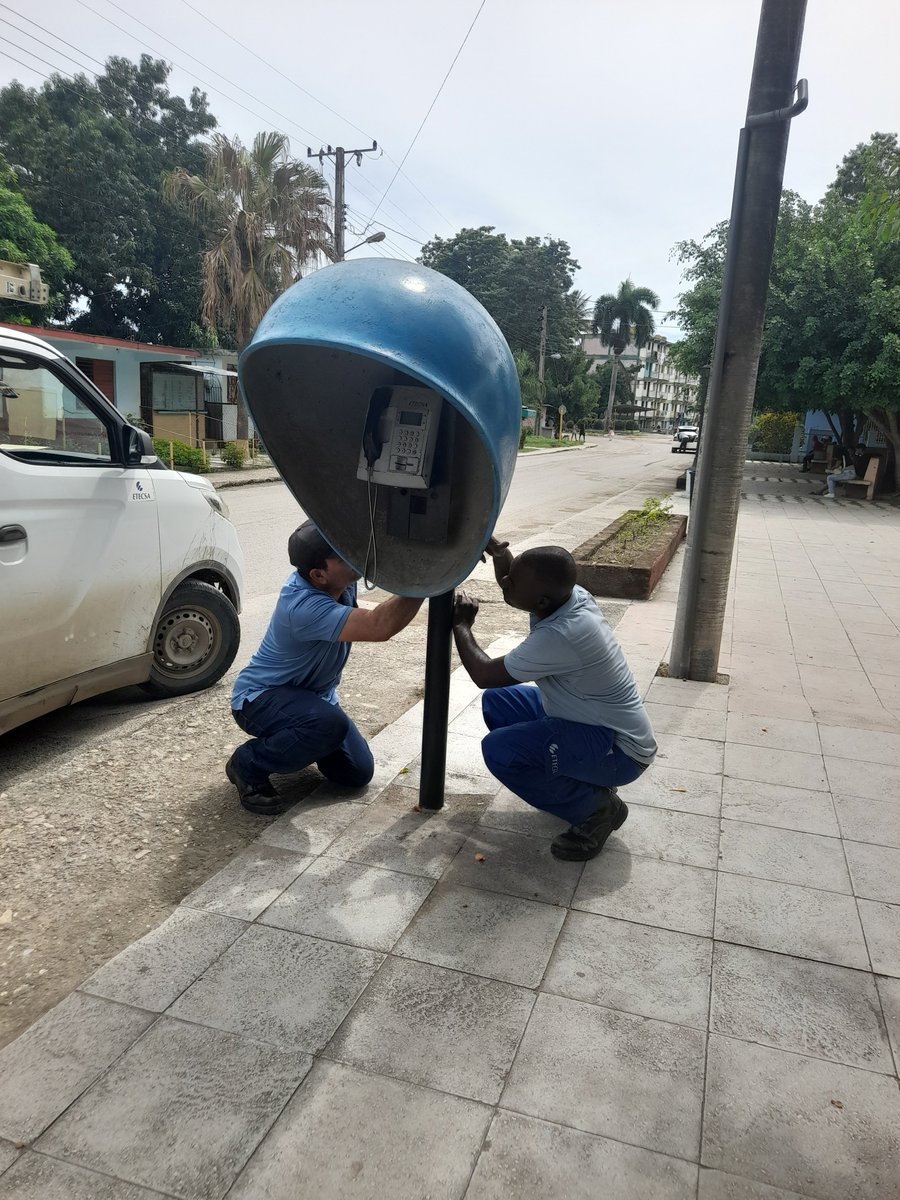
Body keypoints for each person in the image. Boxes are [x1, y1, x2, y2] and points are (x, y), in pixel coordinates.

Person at [452, 537, 657, 861]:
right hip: (591, 723)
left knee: (500, 751)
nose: (505, 582)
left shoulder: (561, 635)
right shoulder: (570, 596)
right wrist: (502, 554)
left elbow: (484, 674)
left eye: (512, 581)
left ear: (542, 601)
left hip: (620, 750)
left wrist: (462, 625)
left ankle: (598, 810)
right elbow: (514, 590)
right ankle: (578, 780)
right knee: (498, 702)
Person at [227, 521, 423, 814]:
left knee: (356, 773)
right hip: (260, 698)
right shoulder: (303, 607)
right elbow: (379, 626)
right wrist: (429, 580)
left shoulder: (339, 581)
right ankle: (248, 763)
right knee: (328, 725)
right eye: (344, 554)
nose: (354, 555)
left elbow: (382, 545)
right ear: (318, 575)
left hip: (312, 698)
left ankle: (305, 738)